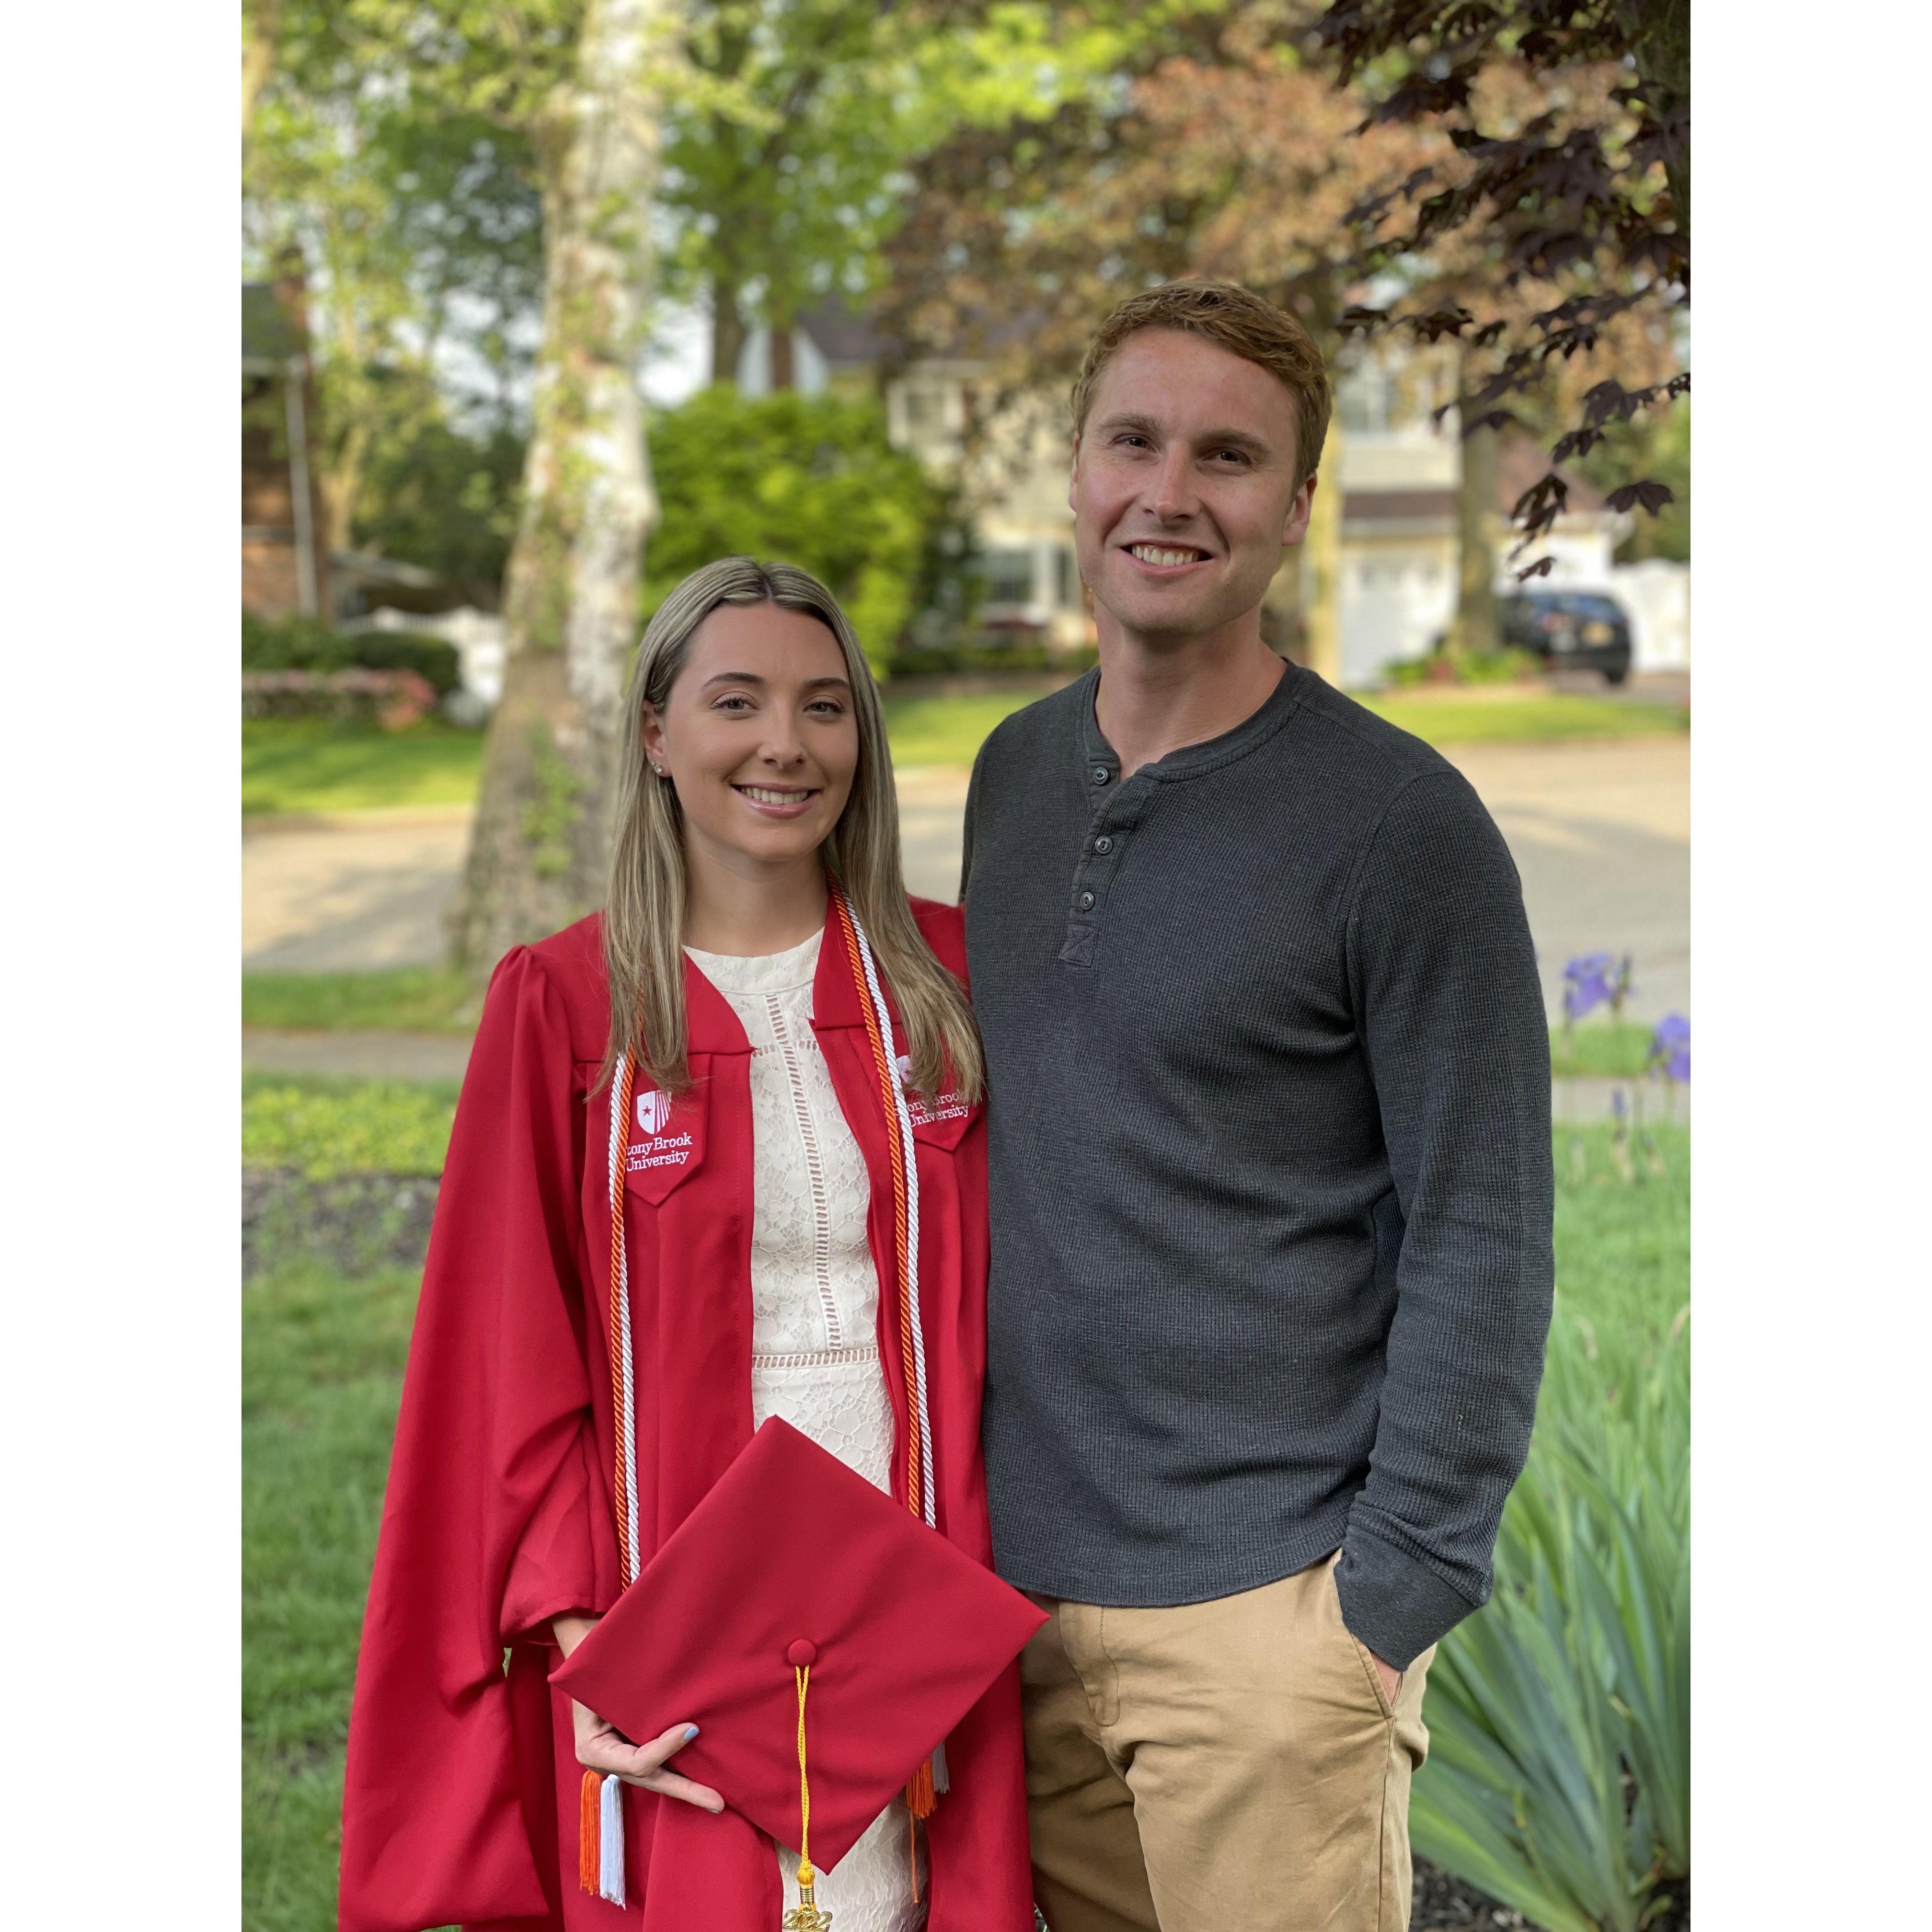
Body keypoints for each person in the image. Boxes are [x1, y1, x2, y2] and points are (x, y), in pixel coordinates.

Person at [959, 280, 1555, 1932]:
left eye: (1228, 458)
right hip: (1011, 1610)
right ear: (1073, 472)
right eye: (1133, 441)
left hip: (1269, 1625)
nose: (1171, 493)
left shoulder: (1401, 827)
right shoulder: (1012, 777)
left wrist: (1386, 1601)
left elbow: (1485, 1223)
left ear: (1295, 512)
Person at [339, 557, 1032, 1932]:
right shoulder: (566, 1005)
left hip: (928, 1544)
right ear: (657, 734)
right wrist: (587, 1633)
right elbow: (506, 1348)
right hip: (689, 1571)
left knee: (906, 1896)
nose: (787, 743)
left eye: (826, 707)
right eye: (739, 701)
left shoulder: (948, 985)